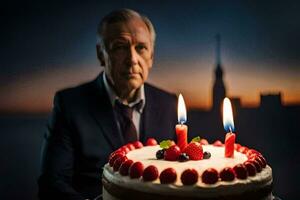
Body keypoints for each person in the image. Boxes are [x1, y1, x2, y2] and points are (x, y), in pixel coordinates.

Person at [38, 8, 177, 200]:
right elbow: (51, 185)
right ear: (101, 54)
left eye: (141, 48)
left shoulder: (169, 104)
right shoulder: (70, 105)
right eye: (120, 47)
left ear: (151, 56)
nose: (132, 60)